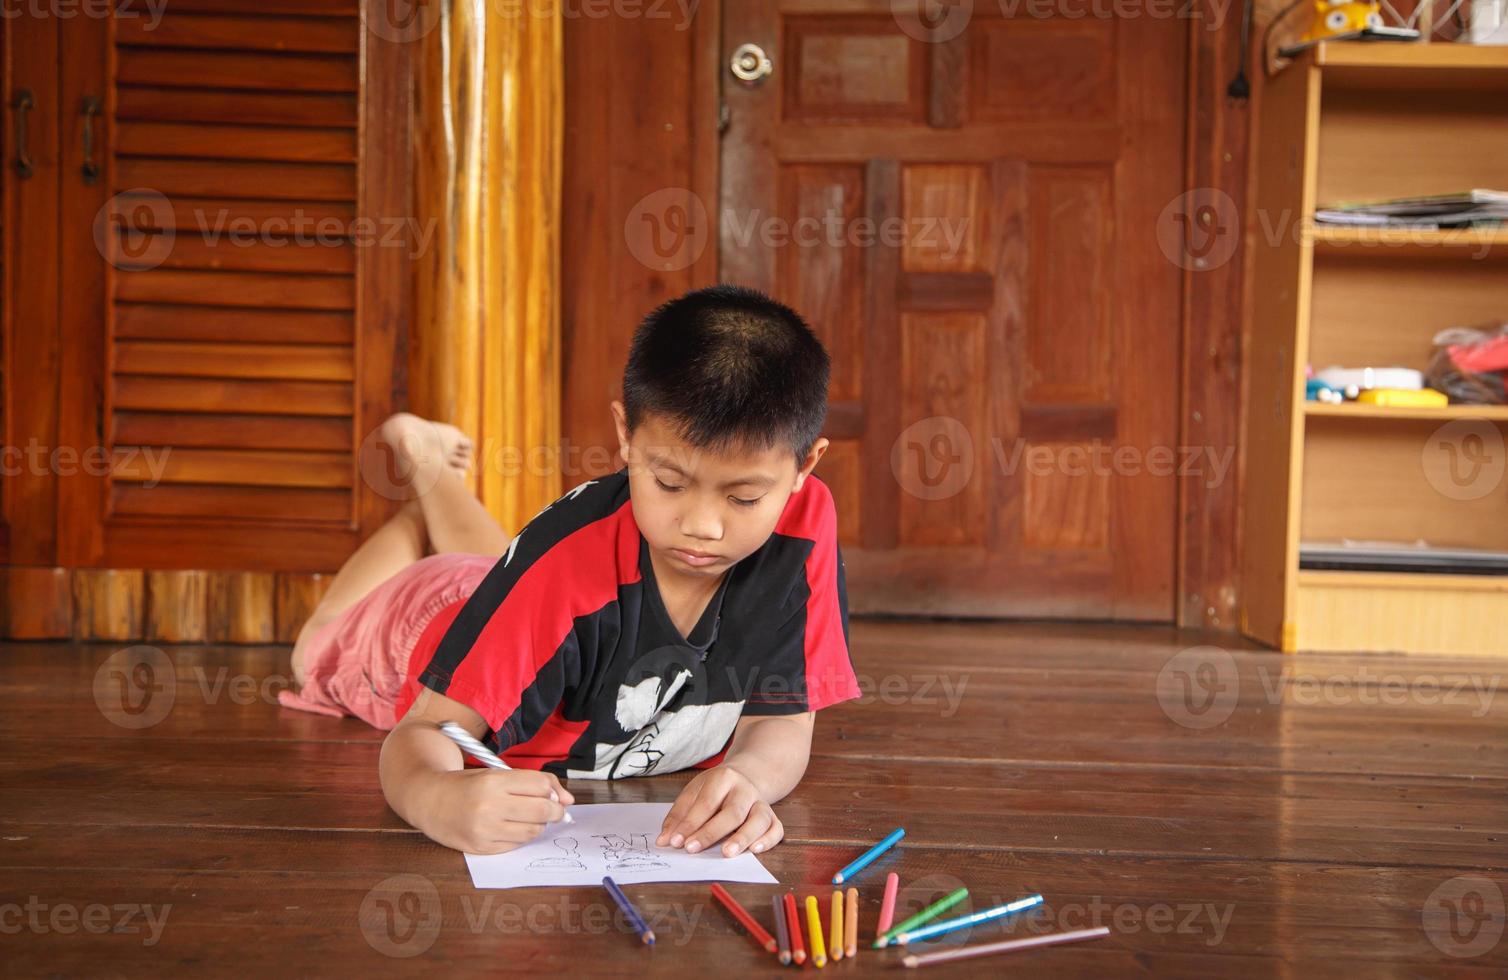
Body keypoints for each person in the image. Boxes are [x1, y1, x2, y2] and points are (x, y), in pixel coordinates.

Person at [283, 285, 859, 857]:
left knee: (498, 566)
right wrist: (439, 798)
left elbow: (782, 722)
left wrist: (752, 780)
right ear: (626, 437)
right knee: (312, 652)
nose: (702, 527)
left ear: (803, 466)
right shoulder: (562, 563)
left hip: (517, 607)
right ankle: (421, 478)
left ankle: (434, 480)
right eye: (670, 483)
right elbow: (421, 733)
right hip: (418, 626)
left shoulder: (803, 525)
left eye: (744, 498)